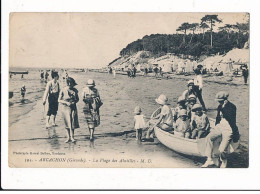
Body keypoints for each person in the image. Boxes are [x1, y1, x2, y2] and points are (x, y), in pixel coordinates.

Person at [202, 91, 240, 168]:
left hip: (228, 128)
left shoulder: (232, 106)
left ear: (225, 99)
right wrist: (216, 125)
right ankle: (209, 159)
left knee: (222, 149)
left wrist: (223, 107)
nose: (219, 102)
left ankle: (224, 160)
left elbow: (231, 118)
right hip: (220, 126)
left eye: (220, 101)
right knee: (209, 138)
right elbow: (218, 118)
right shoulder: (220, 106)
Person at [58, 77, 79, 143]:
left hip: (73, 107)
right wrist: (66, 102)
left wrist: (74, 102)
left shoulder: (75, 90)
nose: (72, 86)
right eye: (71, 84)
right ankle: (68, 137)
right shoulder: (63, 90)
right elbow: (59, 100)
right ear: (69, 84)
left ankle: (72, 137)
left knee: (72, 122)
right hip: (65, 108)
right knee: (67, 122)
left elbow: (77, 99)